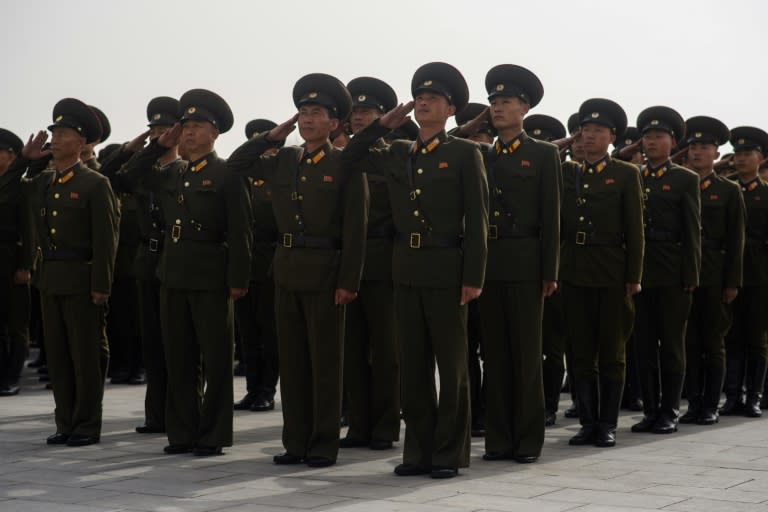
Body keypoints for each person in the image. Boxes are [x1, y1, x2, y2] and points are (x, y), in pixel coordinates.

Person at [341, 61, 488, 478]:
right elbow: (350, 155)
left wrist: (473, 276)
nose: (424, 103)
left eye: (434, 99)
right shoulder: (397, 152)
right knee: (414, 365)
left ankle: (448, 453)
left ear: (451, 109)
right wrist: (381, 126)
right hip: (403, 268)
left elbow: (477, 218)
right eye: (420, 98)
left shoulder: (465, 153)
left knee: (452, 366)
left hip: (447, 269)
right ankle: (417, 451)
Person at [228, 73, 367, 468]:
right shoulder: (284, 158)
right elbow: (237, 166)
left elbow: (355, 228)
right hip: (286, 271)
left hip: (326, 272)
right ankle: (296, 442)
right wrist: (271, 137)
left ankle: (323, 444)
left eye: (317, 113)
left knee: (324, 363)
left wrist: (348, 281)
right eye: (303, 113)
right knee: (292, 361)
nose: (307, 120)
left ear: (335, 123)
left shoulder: (346, 164)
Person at [122, 89, 252, 456]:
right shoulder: (171, 172)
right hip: (173, 273)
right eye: (186, 126)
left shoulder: (227, 173)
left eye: (198, 126)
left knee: (215, 357)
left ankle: (213, 434)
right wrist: (157, 145)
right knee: (178, 356)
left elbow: (242, 230)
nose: (190, 131)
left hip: (211, 275)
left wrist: (238, 279)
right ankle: (181, 431)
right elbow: (128, 176)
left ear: (215, 133)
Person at [21, 98, 119, 446]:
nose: (55, 139)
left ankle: (87, 425)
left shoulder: (95, 183)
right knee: (59, 356)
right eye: (54, 133)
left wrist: (101, 285)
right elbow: (10, 191)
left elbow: (107, 240)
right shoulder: (43, 183)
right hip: (51, 279)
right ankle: (65, 422)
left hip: (82, 279)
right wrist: (24, 161)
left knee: (86, 355)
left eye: (63, 134)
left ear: (81, 142)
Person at [560, 99, 644, 447]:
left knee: (611, 352)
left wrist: (634, 275)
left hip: (611, 271)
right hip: (574, 270)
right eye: (585, 129)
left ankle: (607, 423)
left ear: (612, 137)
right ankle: (587, 421)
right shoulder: (566, 171)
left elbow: (635, 229)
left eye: (598, 130)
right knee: (580, 351)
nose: (590, 135)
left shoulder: (626, 174)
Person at [339, 76, 401, 450]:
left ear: (384, 117)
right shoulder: (341, 155)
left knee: (386, 350)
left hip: (383, 261)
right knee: (352, 350)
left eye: (367, 112)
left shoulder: (394, 154)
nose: (359, 118)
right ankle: (358, 424)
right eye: (355, 112)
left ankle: (385, 425)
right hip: (348, 263)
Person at [632, 106, 701, 435]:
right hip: (641, 274)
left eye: (658, 136)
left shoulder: (685, 179)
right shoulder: (632, 175)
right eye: (647, 136)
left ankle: (670, 410)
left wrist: (691, 275)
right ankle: (650, 410)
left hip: (673, 273)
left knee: (672, 345)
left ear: (673, 142)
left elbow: (692, 231)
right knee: (643, 346)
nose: (651, 142)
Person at [680, 116, 745, 425]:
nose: (697, 152)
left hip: (714, 274)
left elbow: (736, 240)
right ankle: (693, 402)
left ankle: (711, 404)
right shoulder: (680, 183)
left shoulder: (729, 191)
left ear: (717, 153)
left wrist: (732, 281)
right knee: (689, 342)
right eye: (692, 146)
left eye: (704, 147)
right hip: (682, 275)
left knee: (713, 342)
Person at [233, 118, 280, 413]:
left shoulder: (280, 178)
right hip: (244, 264)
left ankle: (266, 390)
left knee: (269, 333)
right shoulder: (241, 178)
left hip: (271, 264)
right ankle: (252, 389)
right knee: (248, 333)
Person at [721, 126, 768, 418]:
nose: (740, 158)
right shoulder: (726, 189)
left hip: (760, 275)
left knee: (756, 338)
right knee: (732, 337)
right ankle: (732, 395)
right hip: (729, 273)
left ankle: (754, 395)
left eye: (747, 153)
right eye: (737, 153)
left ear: (760, 158)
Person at [0, 128, 33, 396]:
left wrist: (26, 265)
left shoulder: (23, 186)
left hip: (14, 258)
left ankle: (12, 376)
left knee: (17, 322)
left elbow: (29, 228)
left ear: (12, 155)